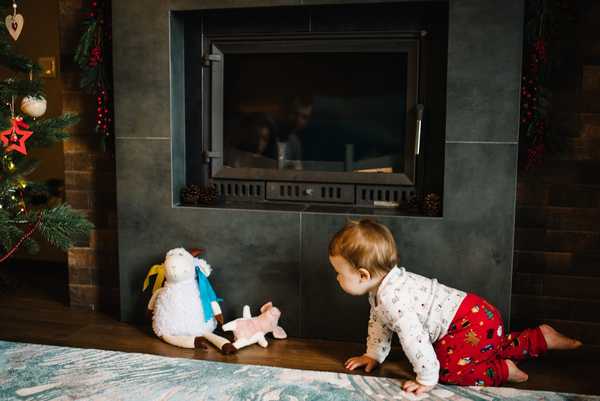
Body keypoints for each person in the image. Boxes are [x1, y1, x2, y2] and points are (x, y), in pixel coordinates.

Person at [328, 219, 582, 395]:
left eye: (339, 273)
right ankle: (540, 338)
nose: (337, 278)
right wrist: (373, 355)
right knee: (483, 345)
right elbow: (379, 324)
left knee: (448, 370)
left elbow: (414, 340)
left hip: (468, 322)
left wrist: (427, 379)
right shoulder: (382, 288)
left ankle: (502, 370)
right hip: (479, 316)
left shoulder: (395, 299)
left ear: (363, 275)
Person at [275, 95, 314, 168]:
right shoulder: (270, 134)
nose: (298, 120)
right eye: (295, 113)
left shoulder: (295, 142)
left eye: (304, 117)